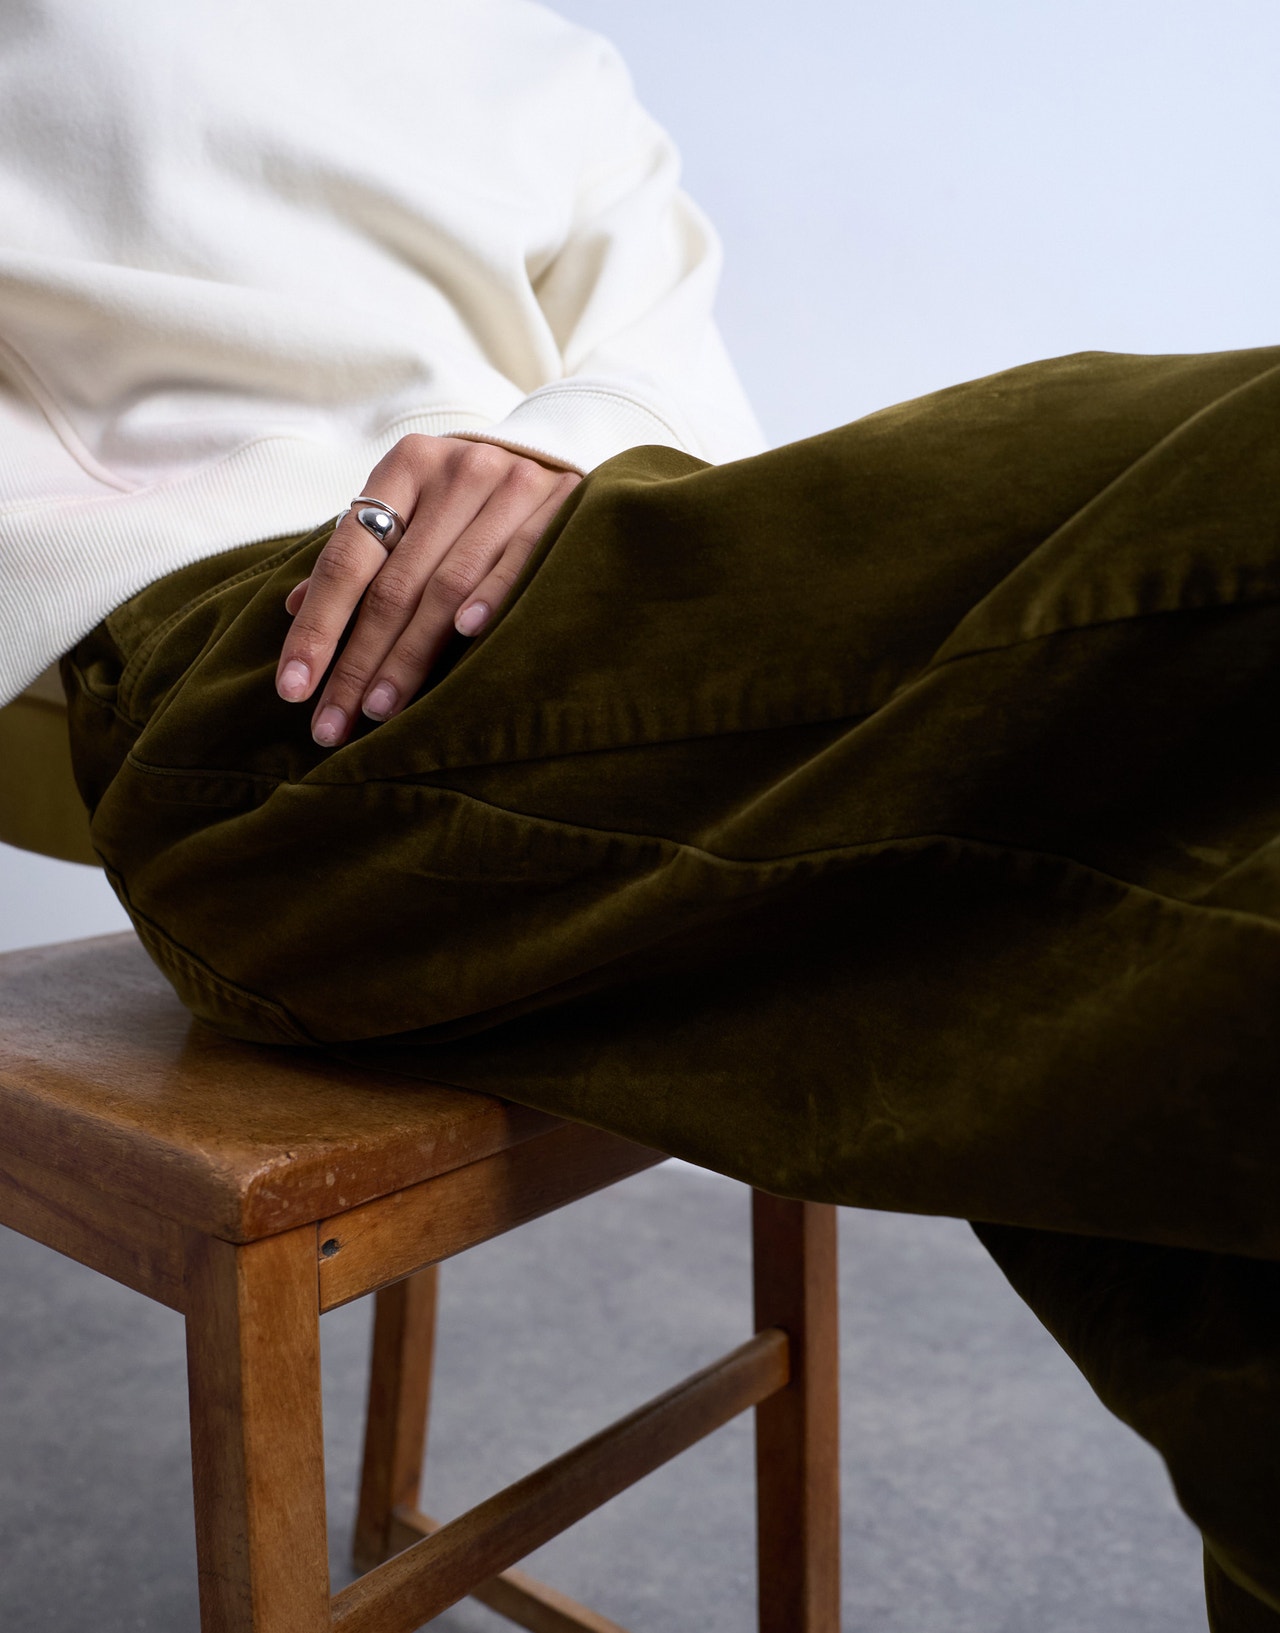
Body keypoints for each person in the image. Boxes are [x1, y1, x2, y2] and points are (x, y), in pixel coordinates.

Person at [3, 2, 1278, 1626]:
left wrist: (541, 444)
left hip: (598, 587)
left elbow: (673, 384)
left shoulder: (549, 60)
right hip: (282, 680)